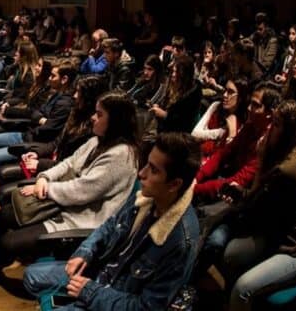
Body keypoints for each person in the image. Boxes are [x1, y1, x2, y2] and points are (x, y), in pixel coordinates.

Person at [0, 92, 139, 281]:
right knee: (5, 214)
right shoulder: (97, 140)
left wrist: (46, 190)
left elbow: (82, 191)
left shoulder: (121, 155)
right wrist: (44, 178)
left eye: (100, 114)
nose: (93, 117)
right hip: (64, 203)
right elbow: (68, 163)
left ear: (117, 120)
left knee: (9, 242)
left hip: (80, 218)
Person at [22, 132, 201, 311]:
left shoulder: (180, 242)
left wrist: (91, 292)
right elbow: (110, 225)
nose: (141, 173)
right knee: (31, 277)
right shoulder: (148, 197)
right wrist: (85, 251)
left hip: (116, 295)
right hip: (102, 272)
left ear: (174, 185)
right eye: (146, 163)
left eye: (153, 170)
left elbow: (146, 307)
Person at [206, 100, 296, 311]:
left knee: (242, 288)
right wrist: (242, 193)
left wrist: (243, 195)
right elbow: (258, 200)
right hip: (275, 233)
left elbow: (258, 211)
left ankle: (240, 301)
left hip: (295, 248)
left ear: (287, 133)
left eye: (275, 124)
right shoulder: (277, 155)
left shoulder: (288, 168)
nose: (268, 128)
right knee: (229, 255)